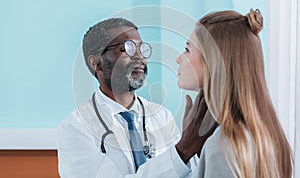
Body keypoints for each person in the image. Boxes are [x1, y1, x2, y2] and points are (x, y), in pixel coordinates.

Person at [57, 18, 216, 177]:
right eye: (128, 48)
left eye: (141, 48)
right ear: (97, 63)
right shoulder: (75, 128)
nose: (139, 57)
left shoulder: (161, 116)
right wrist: (182, 150)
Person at [176, 9, 293, 177]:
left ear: (213, 62)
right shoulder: (269, 138)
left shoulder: (220, 148)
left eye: (187, 49)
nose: (179, 58)